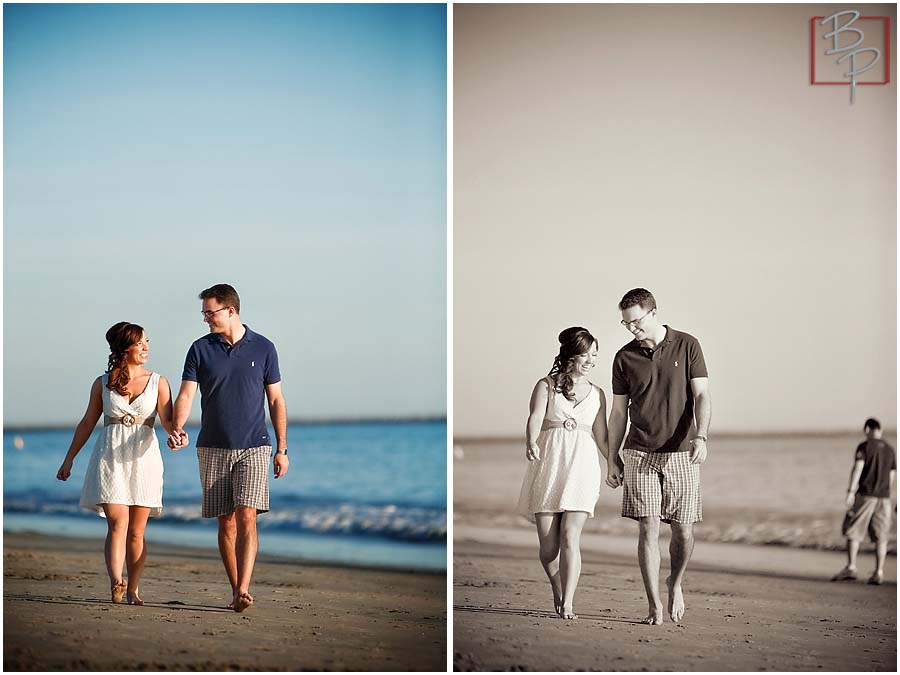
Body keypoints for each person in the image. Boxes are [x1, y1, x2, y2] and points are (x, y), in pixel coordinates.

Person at [168, 284, 289, 612]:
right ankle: (236, 589)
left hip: (255, 445)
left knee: (247, 515)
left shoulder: (264, 348)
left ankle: (244, 587)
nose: (206, 318)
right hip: (212, 446)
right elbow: (186, 395)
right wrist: (177, 426)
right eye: (204, 313)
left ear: (231, 310)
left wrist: (282, 448)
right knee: (227, 521)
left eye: (211, 312)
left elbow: (275, 400)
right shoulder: (199, 349)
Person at [606, 288, 710, 626]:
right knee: (648, 529)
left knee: (683, 530)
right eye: (626, 324)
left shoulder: (687, 344)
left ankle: (674, 584)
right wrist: (611, 456)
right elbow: (618, 413)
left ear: (653, 312)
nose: (631, 328)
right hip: (639, 452)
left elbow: (703, 396)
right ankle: (652, 605)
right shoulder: (624, 358)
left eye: (635, 321)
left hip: (681, 452)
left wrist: (701, 436)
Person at [56, 322, 177, 605]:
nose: (146, 347)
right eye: (140, 343)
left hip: (144, 459)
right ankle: (116, 582)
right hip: (109, 458)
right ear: (124, 348)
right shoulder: (102, 383)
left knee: (137, 531)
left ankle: (133, 588)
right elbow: (87, 423)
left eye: (147, 341)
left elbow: (169, 422)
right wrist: (69, 458)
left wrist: (177, 435)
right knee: (117, 523)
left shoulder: (159, 382)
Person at [516, 327, 611, 620]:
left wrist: (614, 463)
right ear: (571, 355)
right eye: (587, 354)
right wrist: (531, 440)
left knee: (571, 536)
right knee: (548, 548)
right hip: (550, 464)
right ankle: (556, 584)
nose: (592, 360)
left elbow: (603, 436)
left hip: (582, 467)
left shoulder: (598, 394)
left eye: (595, 355)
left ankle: (568, 602)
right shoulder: (545, 385)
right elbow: (534, 417)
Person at [831, 418, 896, 585]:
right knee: (881, 536)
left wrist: (851, 492)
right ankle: (878, 572)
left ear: (867, 429)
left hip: (866, 495)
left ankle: (851, 567)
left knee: (854, 530)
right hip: (884, 497)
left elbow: (858, 468)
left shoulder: (864, 446)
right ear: (880, 430)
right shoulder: (890, 449)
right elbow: (892, 476)